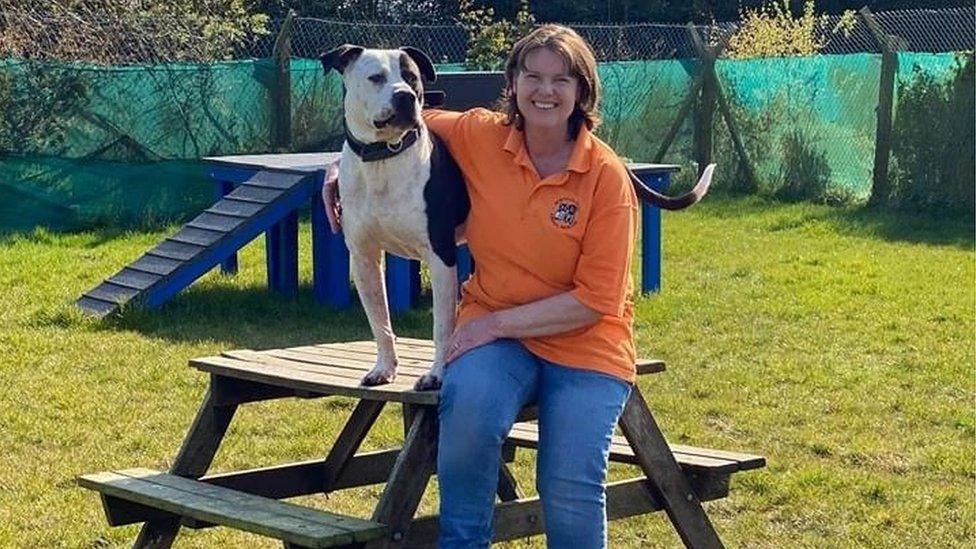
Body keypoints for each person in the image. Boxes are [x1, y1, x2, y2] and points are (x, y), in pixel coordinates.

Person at [325, 24, 639, 549]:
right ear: (512, 83)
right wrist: (338, 165)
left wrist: (493, 323)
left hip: (585, 344)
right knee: (465, 432)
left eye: (562, 79)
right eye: (532, 75)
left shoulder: (606, 177)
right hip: (497, 342)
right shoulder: (481, 135)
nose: (545, 90)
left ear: (583, 91)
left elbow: (597, 301)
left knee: (567, 485)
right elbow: (394, 123)